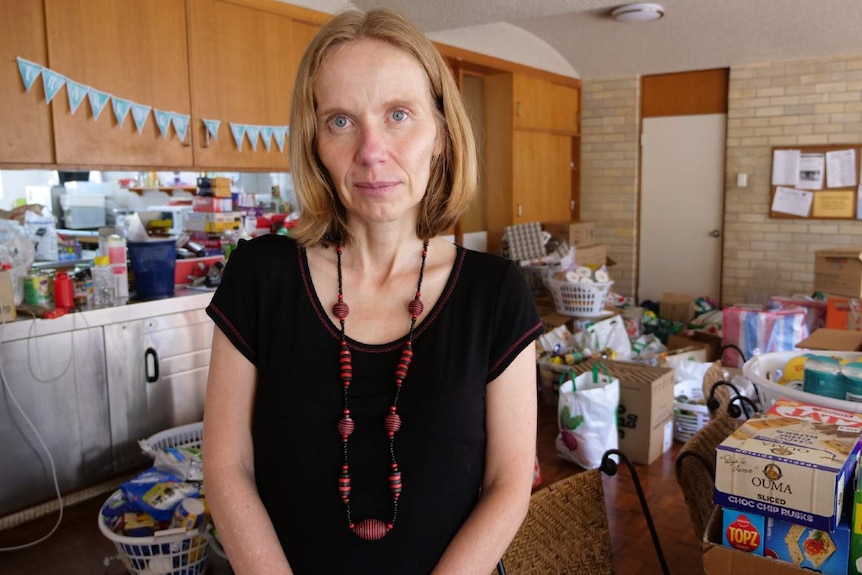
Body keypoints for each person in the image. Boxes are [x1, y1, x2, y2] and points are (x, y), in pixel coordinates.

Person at [203, 7, 542, 574]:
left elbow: (509, 483)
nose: (371, 150)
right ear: (314, 142)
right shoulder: (258, 276)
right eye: (340, 121)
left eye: (398, 115)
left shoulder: (495, 293)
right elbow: (227, 465)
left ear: (439, 132)